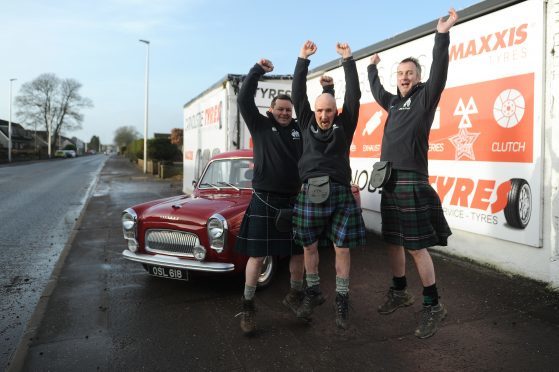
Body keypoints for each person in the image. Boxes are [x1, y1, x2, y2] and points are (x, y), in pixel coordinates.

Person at [367, 8, 458, 339]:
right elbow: (377, 91)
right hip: (389, 180)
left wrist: (442, 34)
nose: (404, 77)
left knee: (417, 246)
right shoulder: (392, 103)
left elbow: (440, 70)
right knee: (392, 242)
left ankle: (434, 304)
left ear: (418, 78)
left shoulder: (425, 97)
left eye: (410, 73)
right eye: (401, 73)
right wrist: (372, 67)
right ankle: (399, 290)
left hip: (412, 180)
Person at [234, 58, 334, 335]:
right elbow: (244, 99)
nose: (284, 113)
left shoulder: (300, 129)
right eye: (280, 109)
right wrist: (256, 71)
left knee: (297, 254)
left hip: (294, 199)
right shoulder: (260, 125)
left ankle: (294, 295)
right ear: (271, 111)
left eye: (288, 110)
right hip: (264, 199)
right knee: (257, 256)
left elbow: (326, 118)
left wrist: (330, 89)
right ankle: (248, 304)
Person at [291, 41, 366, 330]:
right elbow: (298, 91)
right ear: (314, 110)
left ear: (336, 111)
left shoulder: (344, 126)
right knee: (309, 248)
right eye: (320, 110)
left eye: (329, 111)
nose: (324, 116)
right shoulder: (306, 120)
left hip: (339, 192)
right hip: (310, 191)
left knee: (342, 248)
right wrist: (302, 59)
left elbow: (355, 95)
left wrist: (348, 59)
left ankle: (342, 300)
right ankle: (313, 292)